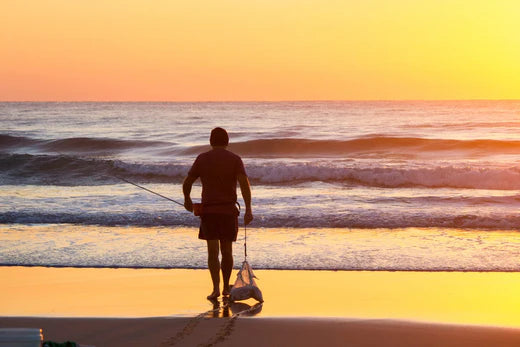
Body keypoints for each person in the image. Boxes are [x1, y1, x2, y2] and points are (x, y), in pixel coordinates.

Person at [183, 127, 253, 300]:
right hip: (228, 211)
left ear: (211, 141)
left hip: (209, 211)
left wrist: (187, 200)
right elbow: (244, 185)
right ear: (227, 142)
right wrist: (249, 208)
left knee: (212, 252)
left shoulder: (202, 159)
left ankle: (215, 289)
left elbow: (188, 182)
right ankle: (226, 289)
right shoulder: (235, 159)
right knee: (227, 251)